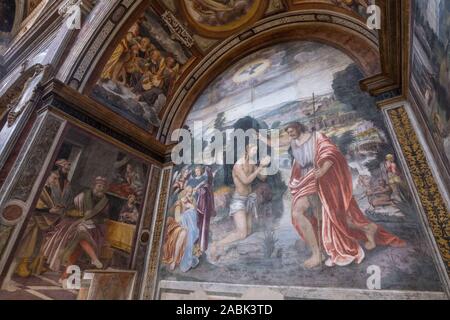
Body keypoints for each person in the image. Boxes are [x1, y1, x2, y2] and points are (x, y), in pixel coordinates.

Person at [285, 122, 405, 268]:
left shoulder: (316, 137)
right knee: (311, 215)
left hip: (323, 178)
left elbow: (331, 152)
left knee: (330, 216)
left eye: (291, 131)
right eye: (288, 132)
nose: (289, 134)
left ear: (298, 127)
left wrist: (323, 170)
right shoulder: (294, 143)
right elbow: (298, 162)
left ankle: (365, 230)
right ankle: (320, 252)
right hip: (306, 180)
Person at [42, 177, 110, 282]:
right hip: (74, 224)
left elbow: (104, 218)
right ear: (94, 186)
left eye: (103, 187)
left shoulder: (105, 202)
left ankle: (64, 277)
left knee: (77, 248)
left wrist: (94, 221)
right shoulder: (82, 196)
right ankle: (94, 258)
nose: (101, 189)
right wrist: (80, 215)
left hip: (93, 229)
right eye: (99, 186)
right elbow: (69, 210)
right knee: (80, 233)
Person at [210, 143, 270, 260]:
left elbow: (263, 178)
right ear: (247, 150)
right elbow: (246, 181)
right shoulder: (238, 165)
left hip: (249, 199)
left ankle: (225, 247)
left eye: (256, 150)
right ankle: (216, 244)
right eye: (253, 149)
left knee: (247, 233)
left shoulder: (252, 163)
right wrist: (259, 168)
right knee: (241, 233)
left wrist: (264, 165)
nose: (255, 152)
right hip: (239, 201)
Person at [15, 171, 65, 278]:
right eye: (54, 178)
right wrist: (50, 210)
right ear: (47, 177)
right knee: (28, 243)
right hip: (32, 219)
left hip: (41, 220)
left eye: (57, 179)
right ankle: (21, 265)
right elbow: (36, 204)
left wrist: (54, 209)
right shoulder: (38, 187)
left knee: (38, 244)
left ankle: (33, 265)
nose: (56, 181)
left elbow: (47, 205)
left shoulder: (50, 189)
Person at [162, 186, 200, 272]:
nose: (189, 196)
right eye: (187, 194)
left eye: (190, 194)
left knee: (187, 232)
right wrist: (188, 211)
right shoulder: (178, 204)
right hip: (174, 225)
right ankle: (174, 261)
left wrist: (191, 208)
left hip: (184, 226)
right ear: (184, 194)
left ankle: (178, 259)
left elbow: (193, 216)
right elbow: (178, 219)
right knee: (183, 233)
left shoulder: (189, 203)